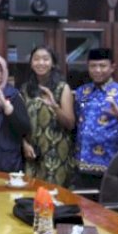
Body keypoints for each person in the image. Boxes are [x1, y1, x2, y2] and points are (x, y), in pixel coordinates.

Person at [73, 48, 118, 189]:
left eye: (102, 66)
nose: (98, 70)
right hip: (80, 165)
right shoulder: (82, 92)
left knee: (103, 210)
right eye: (93, 66)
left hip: (108, 167)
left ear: (112, 67)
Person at [20, 46, 76, 186]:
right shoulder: (25, 89)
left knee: (53, 198)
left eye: (45, 59)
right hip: (32, 154)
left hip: (56, 153)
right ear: (31, 64)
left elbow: (70, 124)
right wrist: (24, 144)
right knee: (30, 195)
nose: (41, 63)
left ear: (53, 63)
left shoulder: (62, 88)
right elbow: (19, 123)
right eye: (36, 59)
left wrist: (54, 106)